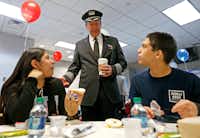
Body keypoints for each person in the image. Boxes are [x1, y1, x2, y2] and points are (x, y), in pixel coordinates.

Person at [61, 10, 127, 121]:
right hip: (88, 95)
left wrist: (113, 69)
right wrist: (66, 78)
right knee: (89, 127)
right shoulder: (80, 45)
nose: (94, 27)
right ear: (86, 26)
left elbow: (123, 63)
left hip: (109, 94)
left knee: (111, 127)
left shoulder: (113, 42)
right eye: (91, 24)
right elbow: (75, 66)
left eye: (96, 23)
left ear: (100, 24)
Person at [129, 32, 200, 121]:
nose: (138, 50)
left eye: (144, 46)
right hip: (151, 132)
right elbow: (132, 110)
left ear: (158, 54)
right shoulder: (137, 81)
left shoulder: (190, 80)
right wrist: (139, 112)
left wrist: (196, 108)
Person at [0, 48, 83, 124]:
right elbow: (19, 118)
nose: (53, 61)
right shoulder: (13, 87)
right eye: (47, 58)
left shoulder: (56, 84)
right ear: (35, 64)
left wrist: (72, 112)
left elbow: (63, 117)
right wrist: (32, 81)